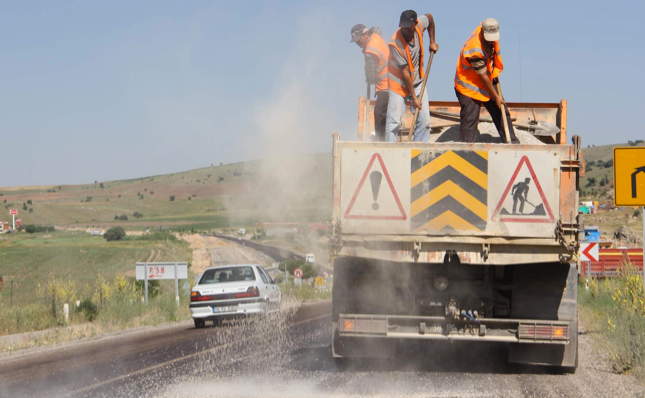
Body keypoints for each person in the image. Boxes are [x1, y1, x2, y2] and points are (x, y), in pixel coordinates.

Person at [454, 18, 519, 144]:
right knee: (470, 118)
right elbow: (482, 76)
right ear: (483, 32)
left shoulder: (488, 28)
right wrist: (496, 97)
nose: (491, 40)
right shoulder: (474, 49)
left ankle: (513, 144)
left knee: (501, 111)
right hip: (469, 86)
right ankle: (467, 151)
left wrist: (497, 99)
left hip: (486, 78)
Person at [385, 10, 438, 143]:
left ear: (415, 24)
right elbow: (405, 73)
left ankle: (417, 153)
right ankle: (389, 154)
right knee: (393, 122)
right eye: (403, 28)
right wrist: (414, 98)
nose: (406, 31)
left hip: (418, 82)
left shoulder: (419, 26)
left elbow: (430, 18)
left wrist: (432, 41)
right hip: (398, 85)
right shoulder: (395, 44)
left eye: (409, 28)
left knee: (425, 121)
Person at [350, 24, 390, 141]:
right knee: (386, 114)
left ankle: (380, 140)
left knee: (379, 114)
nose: (358, 43)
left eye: (358, 39)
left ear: (365, 34)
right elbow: (377, 29)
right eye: (356, 41)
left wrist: (368, 76)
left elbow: (371, 77)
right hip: (392, 81)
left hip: (385, 85)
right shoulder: (375, 36)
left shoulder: (370, 52)